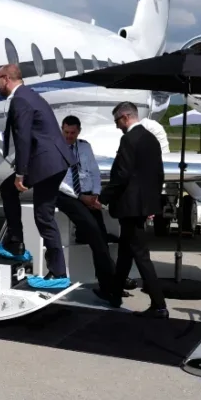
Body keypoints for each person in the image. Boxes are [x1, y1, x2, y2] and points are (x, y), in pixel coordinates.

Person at [0, 63, 75, 290]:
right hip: (52, 161)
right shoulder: (31, 96)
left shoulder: (20, 100)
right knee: (9, 191)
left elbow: (23, 138)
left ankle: (57, 272)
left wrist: (21, 173)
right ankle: (15, 243)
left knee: (43, 215)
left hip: (47, 163)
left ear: (6, 78)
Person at [97, 101, 168, 317]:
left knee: (140, 254)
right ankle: (114, 294)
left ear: (126, 117)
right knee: (126, 252)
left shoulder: (129, 139)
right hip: (143, 206)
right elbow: (159, 175)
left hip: (130, 206)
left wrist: (104, 197)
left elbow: (122, 174)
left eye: (117, 121)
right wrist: (152, 203)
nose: (117, 126)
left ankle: (159, 304)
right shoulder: (151, 139)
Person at [58, 115, 134, 294]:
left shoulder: (84, 147)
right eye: (66, 132)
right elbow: (59, 181)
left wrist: (96, 195)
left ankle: (110, 280)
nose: (69, 136)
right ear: (61, 129)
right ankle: (110, 284)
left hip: (87, 195)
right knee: (96, 235)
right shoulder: (55, 148)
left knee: (100, 236)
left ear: (79, 132)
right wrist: (80, 197)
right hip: (67, 195)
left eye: (73, 133)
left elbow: (94, 172)